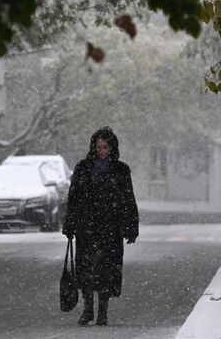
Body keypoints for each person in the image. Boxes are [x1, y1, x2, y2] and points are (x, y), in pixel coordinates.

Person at [62, 126, 139, 326]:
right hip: (86, 228)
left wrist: (130, 226)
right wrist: (70, 224)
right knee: (86, 270)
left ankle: (102, 312)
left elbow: (128, 199)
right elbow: (74, 198)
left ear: (112, 148)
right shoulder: (82, 168)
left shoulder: (121, 170)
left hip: (110, 229)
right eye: (98, 147)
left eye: (105, 147)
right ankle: (88, 310)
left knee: (106, 271)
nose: (101, 151)